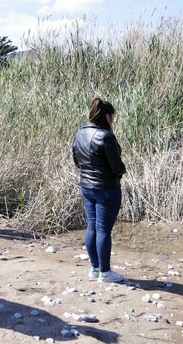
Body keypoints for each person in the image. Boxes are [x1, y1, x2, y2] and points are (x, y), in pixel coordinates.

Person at [72, 97, 127, 283]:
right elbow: (117, 167)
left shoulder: (80, 134)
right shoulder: (106, 136)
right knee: (103, 229)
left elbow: (77, 161)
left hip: (87, 186)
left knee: (92, 226)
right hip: (107, 189)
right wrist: (120, 172)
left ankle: (95, 268)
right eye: (113, 117)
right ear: (107, 116)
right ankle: (105, 272)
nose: (113, 121)